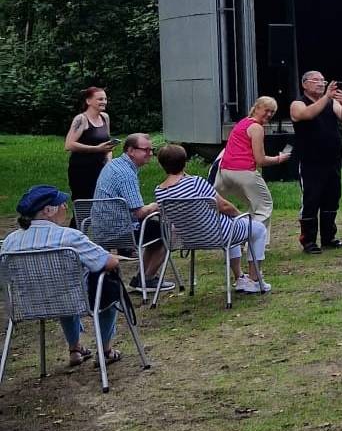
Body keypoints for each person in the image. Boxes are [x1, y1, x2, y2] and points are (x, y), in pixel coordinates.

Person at [3, 185, 125, 366]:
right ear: (48, 211)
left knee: (61, 288)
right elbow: (109, 263)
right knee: (106, 286)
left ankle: (75, 348)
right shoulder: (70, 237)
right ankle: (105, 349)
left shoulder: (10, 241)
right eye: (61, 204)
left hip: (26, 305)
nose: (65, 207)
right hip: (71, 300)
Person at [155, 145, 271, 294]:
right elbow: (223, 205)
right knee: (258, 229)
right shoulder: (196, 182)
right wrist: (239, 214)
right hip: (217, 234)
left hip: (188, 239)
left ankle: (240, 277)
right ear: (185, 162)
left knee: (229, 224)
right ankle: (254, 279)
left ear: (162, 165)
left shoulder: (159, 191)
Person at [94, 134, 172, 290]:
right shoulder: (126, 175)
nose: (150, 154)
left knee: (156, 229)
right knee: (168, 231)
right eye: (146, 150)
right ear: (130, 150)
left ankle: (142, 277)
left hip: (100, 228)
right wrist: (158, 205)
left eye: (152, 150)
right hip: (120, 231)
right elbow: (140, 213)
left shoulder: (114, 164)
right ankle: (146, 279)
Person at [290, 71, 342, 254]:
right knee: (311, 200)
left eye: (323, 81)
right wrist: (326, 97)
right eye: (316, 80)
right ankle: (308, 241)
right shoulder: (298, 103)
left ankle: (329, 237)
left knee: (332, 199)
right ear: (305, 84)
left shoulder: (331, 102)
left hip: (332, 158)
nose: (320, 83)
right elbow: (308, 114)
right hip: (310, 160)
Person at [215, 97, 291, 225]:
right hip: (244, 172)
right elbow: (260, 160)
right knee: (264, 206)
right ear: (257, 108)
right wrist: (279, 159)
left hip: (225, 171)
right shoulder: (256, 128)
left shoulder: (242, 122)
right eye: (267, 110)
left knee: (253, 204)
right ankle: (256, 240)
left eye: (272, 112)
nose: (269, 114)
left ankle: (241, 232)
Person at [65, 87, 114, 203]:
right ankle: (79, 222)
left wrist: (109, 162)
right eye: (100, 99)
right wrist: (96, 149)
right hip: (82, 169)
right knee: (85, 203)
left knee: (101, 202)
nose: (104, 102)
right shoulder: (81, 119)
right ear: (88, 101)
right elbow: (69, 145)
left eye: (105, 99)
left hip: (101, 168)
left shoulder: (105, 117)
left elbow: (107, 143)